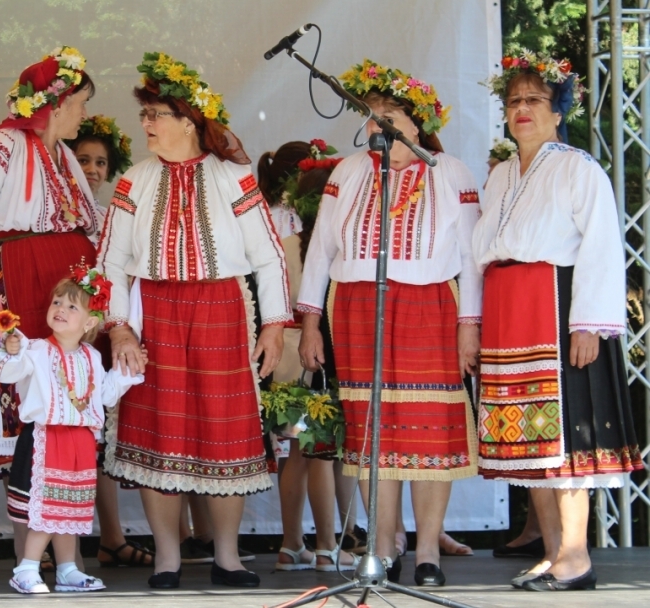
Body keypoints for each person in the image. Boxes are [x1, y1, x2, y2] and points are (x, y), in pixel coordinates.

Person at [98, 52, 292, 590]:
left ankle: (227, 557)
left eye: (156, 114)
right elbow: (110, 261)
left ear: (188, 119)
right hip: (152, 314)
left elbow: (268, 257)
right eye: (144, 116)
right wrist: (119, 326)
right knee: (159, 434)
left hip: (221, 312)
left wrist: (274, 324)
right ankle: (166, 557)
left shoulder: (233, 177)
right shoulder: (133, 182)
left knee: (221, 432)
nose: (147, 125)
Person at [297, 59, 481, 587]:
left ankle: (428, 552)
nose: (378, 125)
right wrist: (310, 323)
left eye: (390, 115)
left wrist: (471, 324)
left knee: (428, 431)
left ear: (418, 123)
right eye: (372, 116)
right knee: (374, 433)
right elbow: (320, 254)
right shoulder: (348, 171)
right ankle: (383, 546)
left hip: (430, 308)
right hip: (356, 309)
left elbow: (470, 259)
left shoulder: (452, 172)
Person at [474, 48, 644, 592]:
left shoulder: (578, 167)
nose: (522, 109)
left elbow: (599, 248)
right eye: (514, 100)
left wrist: (589, 323)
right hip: (509, 310)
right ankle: (552, 553)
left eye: (535, 100)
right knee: (528, 442)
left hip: (555, 306)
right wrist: (472, 323)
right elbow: (480, 253)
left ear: (557, 110)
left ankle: (576, 556)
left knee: (567, 437)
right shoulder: (499, 176)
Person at [0, 46, 100, 562]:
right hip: (15, 285)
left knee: (66, 416)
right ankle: (32, 558)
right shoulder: (0, 146)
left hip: (59, 293)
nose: (84, 112)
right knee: (30, 419)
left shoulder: (63, 158)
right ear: (56, 104)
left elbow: (94, 225)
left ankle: (66, 557)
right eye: (80, 102)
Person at [0, 267, 144, 593]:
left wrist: (126, 371)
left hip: (79, 441)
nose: (60, 309)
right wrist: (12, 351)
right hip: (46, 438)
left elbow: (105, 394)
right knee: (47, 507)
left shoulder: (91, 355)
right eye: (57, 303)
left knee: (70, 507)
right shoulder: (35, 349)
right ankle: (27, 568)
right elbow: (9, 374)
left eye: (72, 306)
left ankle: (67, 570)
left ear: (90, 322)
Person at [256, 140, 358, 572]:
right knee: (321, 451)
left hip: (283, 349)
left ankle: (290, 542)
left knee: (297, 450)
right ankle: (326, 545)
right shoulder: (317, 229)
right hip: (316, 346)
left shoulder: (270, 223)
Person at [64, 116, 154, 569]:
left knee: (101, 439)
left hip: (106, 336)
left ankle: (111, 536)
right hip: (74, 337)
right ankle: (63, 544)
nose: (93, 169)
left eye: (101, 161)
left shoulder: (109, 215)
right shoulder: (60, 213)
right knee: (69, 436)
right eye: (83, 159)